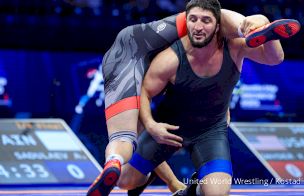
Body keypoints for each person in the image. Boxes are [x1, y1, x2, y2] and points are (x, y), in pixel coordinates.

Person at [117, 0, 300, 195]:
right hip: (171, 128)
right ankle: (146, 176)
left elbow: (275, 58)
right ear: (184, 22)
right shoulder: (170, 58)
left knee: (216, 194)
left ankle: (191, 191)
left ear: (218, 26)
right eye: (193, 20)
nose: (198, 26)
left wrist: (268, 33)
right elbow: (144, 92)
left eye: (206, 20)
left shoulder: (235, 47)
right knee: (125, 182)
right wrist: (152, 125)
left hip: (210, 132)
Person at [86, 4, 256, 196]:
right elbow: (221, 17)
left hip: (123, 53)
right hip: (137, 53)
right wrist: (173, 182)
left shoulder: (178, 53)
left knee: (123, 137)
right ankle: (249, 26)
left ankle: (114, 161)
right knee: (140, 138)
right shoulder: (170, 60)